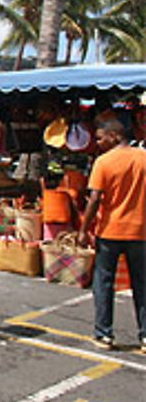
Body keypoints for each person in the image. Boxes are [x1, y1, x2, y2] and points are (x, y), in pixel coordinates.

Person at [77, 118, 146, 352]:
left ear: (114, 136)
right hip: (140, 231)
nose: (97, 142)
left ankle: (104, 333)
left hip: (110, 231)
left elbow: (95, 199)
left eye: (100, 137)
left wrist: (84, 230)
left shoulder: (104, 162)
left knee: (104, 282)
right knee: (142, 285)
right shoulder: (144, 157)